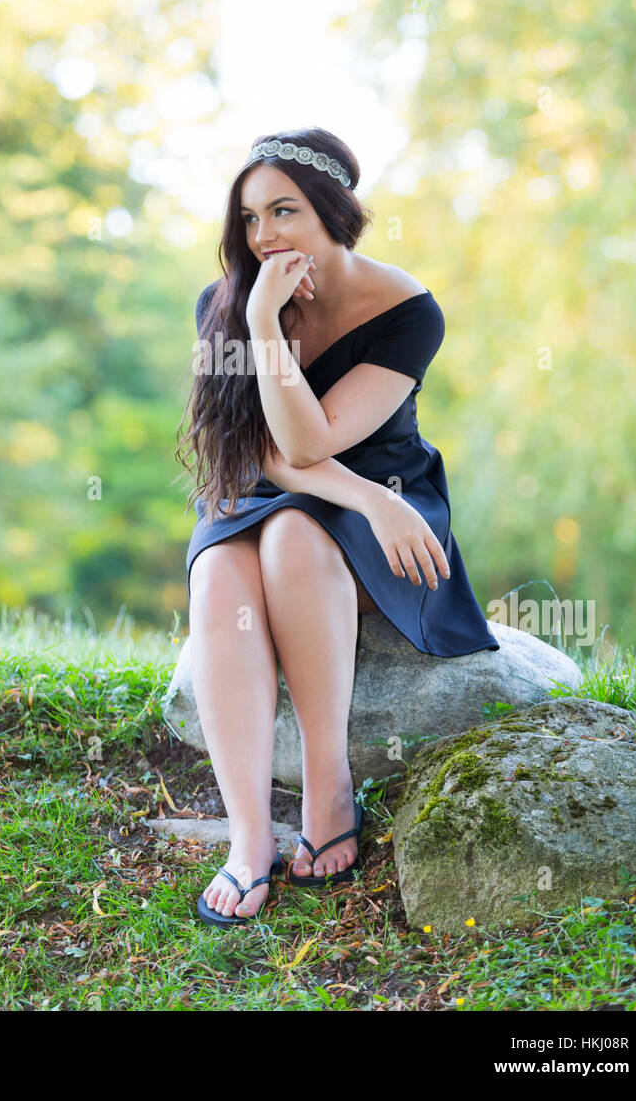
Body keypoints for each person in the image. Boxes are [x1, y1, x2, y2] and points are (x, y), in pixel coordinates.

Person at [175, 127, 499, 928]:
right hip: (270, 489)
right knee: (219, 572)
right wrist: (259, 318)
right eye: (249, 219)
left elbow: (313, 438)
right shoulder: (233, 304)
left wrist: (377, 502)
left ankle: (329, 786)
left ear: (331, 210)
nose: (265, 236)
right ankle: (249, 840)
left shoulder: (409, 312)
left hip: (381, 489)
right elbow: (260, 449)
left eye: (283, 211)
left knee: (292, 540)